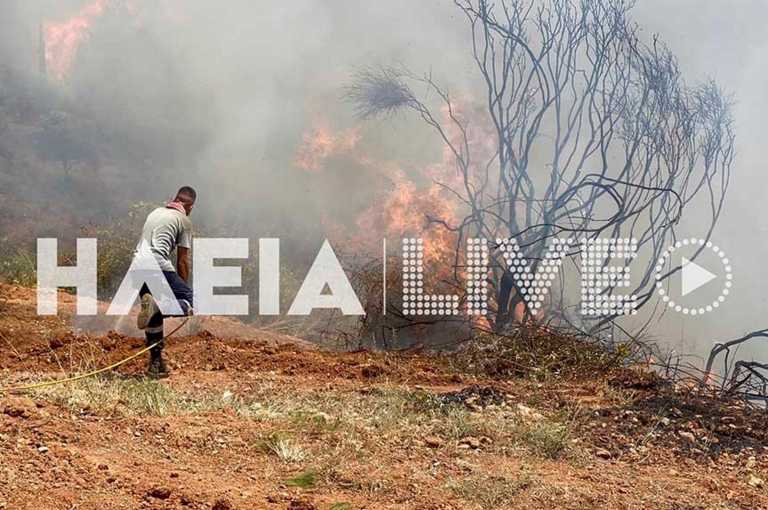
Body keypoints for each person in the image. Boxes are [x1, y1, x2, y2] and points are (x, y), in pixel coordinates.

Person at [135, 186, 196, 378]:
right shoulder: (184, 221)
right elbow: (183, 260)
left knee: (153, 319)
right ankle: (159, 307)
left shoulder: (155, 212)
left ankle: (156, 365)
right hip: (157, 264)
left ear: (174, 199)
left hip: (137, 266)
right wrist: (183, 289)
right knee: (187, 301)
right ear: (191, 206)